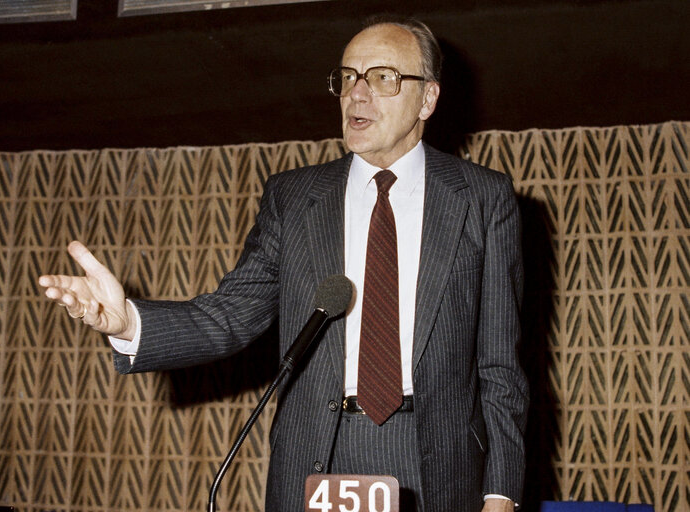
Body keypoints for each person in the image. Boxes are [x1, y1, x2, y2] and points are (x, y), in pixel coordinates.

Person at [39, 17, 528, 512]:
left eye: (382, 77)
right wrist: (130, 322)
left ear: (427, 99)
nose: (357, 95)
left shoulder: (483, 198)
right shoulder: (293, 199)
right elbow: (229, 315)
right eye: (348, 78)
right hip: (317, 454)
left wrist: (501, 493)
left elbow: (500, 369)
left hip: (439, 465)